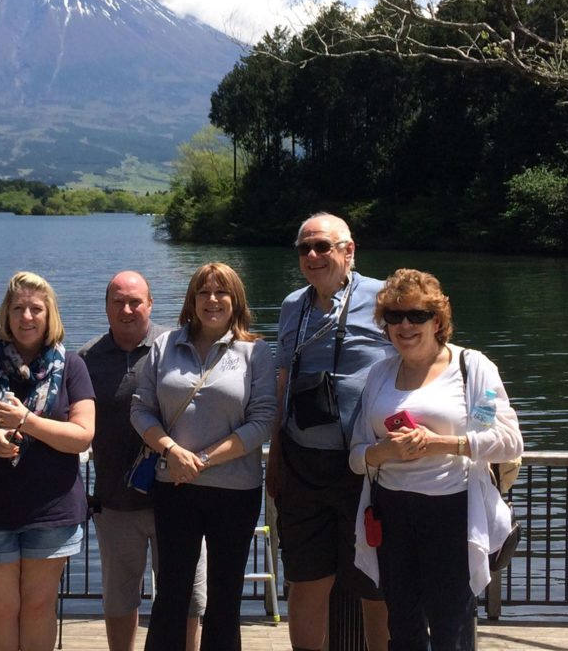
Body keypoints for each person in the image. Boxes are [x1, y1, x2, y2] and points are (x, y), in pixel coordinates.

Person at [350, 268, 523, 651]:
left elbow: (509, 441)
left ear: (438, 320)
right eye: (394, 317)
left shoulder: (471, 368)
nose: (405, 325)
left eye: (416, 315)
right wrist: (385, 452)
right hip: (391, 510)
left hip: (452, 509)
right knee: (404, 625)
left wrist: (441, 443)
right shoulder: (379, 374)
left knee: (451, 627)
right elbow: (357, 457)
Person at [0, 271, 95, 651]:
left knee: (38, 608)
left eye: (35, 309)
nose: (26, 317)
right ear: (6, 315)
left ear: (50, 315)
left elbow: (82, 436)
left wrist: (27, 422)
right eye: (18, 309)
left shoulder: (72, 365)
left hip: (51, 511)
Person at [131, 262, 276, 651]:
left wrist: (202, 460)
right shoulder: (165, 345)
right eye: (203, 292)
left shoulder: (255, 352)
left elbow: (262, 422)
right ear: (191, 300)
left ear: (236, 300)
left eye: (221, 292)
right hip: (174, 486)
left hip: (235, 491)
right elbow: (140, 410)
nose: (212, 300)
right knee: (172, 593)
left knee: (225, 597)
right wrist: (172, 450)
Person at [265, 212, 391, 651]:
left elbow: (422, 362)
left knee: (375, 585)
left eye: (323, 246)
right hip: (302, 465)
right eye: (305, 248)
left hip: (365, 467)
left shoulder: (384, 299)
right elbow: (281, 383)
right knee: (306, 580)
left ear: (349, 251)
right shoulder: (291, 306)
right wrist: (275, 457)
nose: (313, 256)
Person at [78, 270, 205, 651]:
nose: (127, 309)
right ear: (106, 307)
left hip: (179, 497)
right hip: (116, 502)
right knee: (119, 597)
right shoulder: (86, 359)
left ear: (151, 304)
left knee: (187, 596)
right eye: (118, 301)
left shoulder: (178, 347)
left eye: (135, 301)